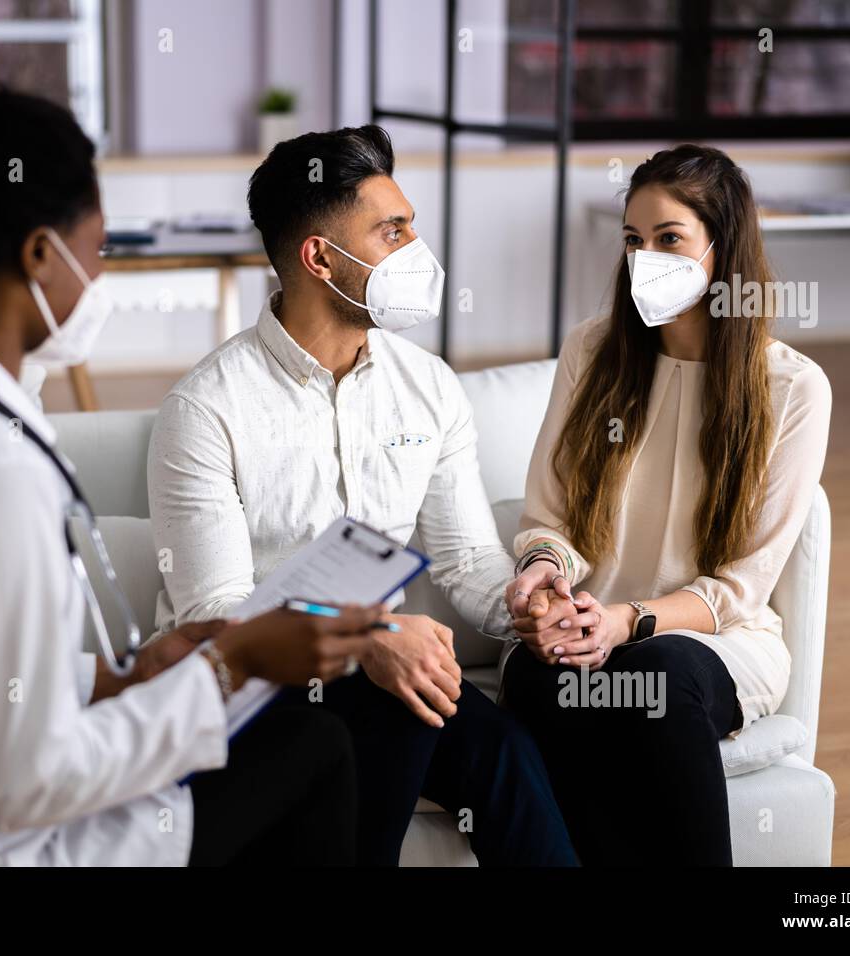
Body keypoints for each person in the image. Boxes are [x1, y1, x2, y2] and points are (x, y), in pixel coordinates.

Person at [0, 75, 381, 867]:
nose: (98, 279)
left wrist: (119, 675)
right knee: (312, 750)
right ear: (40, 253)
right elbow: (27, 782)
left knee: (300, 741)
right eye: (95, 251)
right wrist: (227, 665)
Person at [147, 125, 576, 866]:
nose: (417, 252)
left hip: (386, 675)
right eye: (393, 231)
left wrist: (527, 601)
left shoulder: (429, 386)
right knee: (400, 709)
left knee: (501, 753)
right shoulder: (206, 408)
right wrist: (375, 639)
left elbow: (465, 555)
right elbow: (215, 614)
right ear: (319, 257)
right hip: (260, 690)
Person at [499, 144, 833, 866]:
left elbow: (741, 589)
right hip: (597, 629)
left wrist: (629, 621)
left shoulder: (793, 389)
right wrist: (545, 576)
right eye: (632, 240)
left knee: (661, 677)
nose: (644, 257)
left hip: (719, 642)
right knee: (532, 674)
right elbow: (548, 518)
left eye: (669, 239)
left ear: (724, 247)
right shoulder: (591, 352)